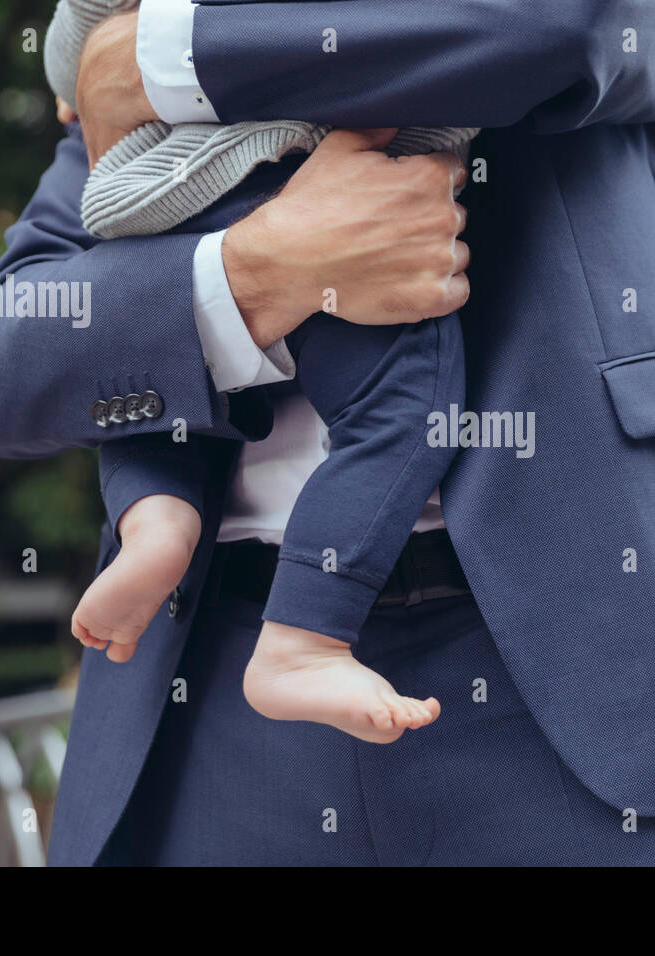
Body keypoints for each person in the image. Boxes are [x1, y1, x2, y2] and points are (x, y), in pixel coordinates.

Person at [0, 0, 655, 866]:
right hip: (215, 708)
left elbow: (555, 26)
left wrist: (157, 57)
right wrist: (255, 274)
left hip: (593, 677)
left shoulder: (156, 46)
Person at [45, 0, 481, 742]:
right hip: (298, 179)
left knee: (168, 382)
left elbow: (75, 57)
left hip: (166, 194)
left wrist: (99, 69)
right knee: (406, 402)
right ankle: (305, 639)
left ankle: (155, 522)